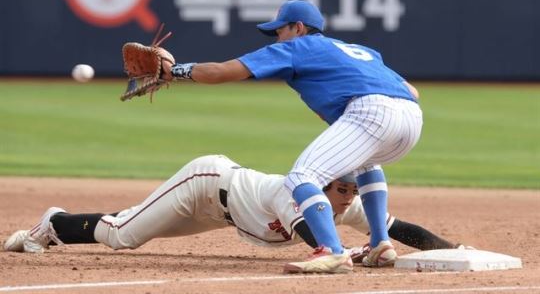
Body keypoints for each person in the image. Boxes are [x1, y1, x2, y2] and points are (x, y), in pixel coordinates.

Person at [157, 0, 423, 272]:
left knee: (302, 177)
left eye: (280, 31)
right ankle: (380, 243)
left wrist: (172, 71)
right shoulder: (359, 50)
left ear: (298, 28)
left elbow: (220, 72)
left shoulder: (297, 47)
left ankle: (332, 252)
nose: (278, 38)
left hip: (372, 112)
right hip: (411, 118)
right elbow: (412, 91)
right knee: (365, 160)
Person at [4, 155, 462, 271]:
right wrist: (355, 253)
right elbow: (320, 246)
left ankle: (59, 223)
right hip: (206, 184)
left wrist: (452, 248)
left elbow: (399, 228)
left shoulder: (345, 206)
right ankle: (52, 222)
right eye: (341, 189)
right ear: (322, 184)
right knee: (124, 235)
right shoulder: (296, 195)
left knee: (130, 227)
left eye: (351, 190)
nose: (348, 198)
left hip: (225, 213)